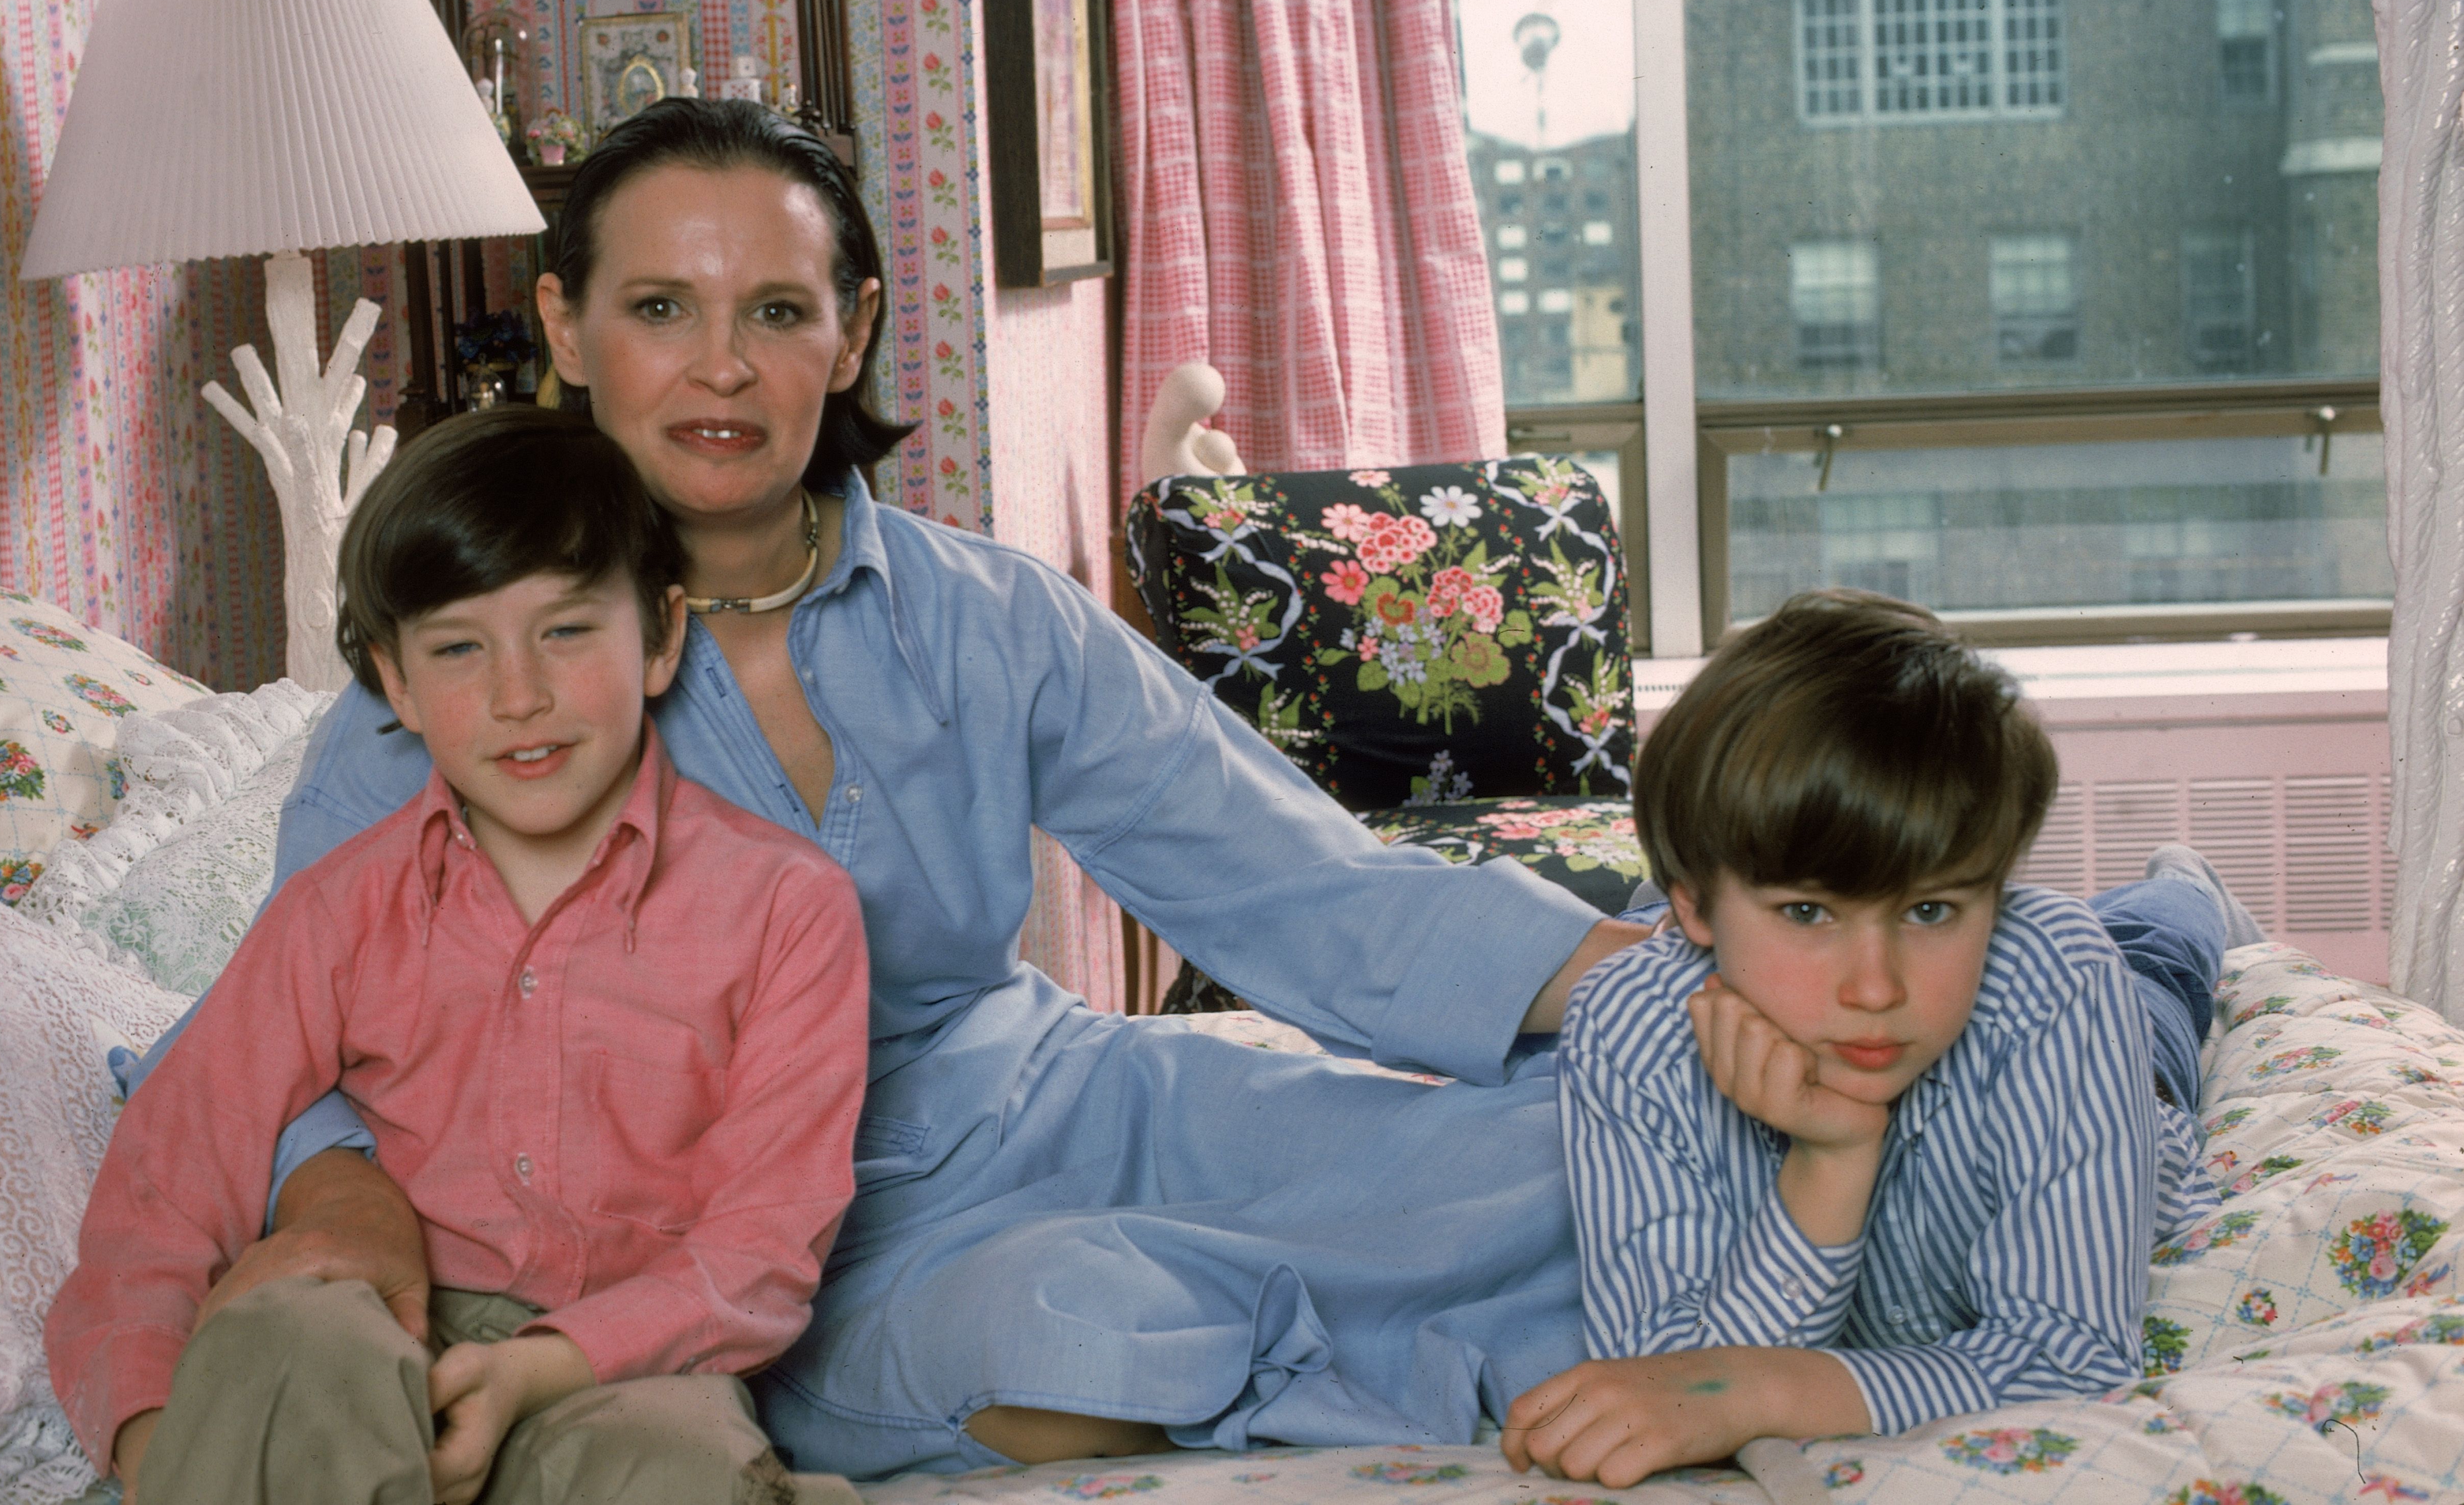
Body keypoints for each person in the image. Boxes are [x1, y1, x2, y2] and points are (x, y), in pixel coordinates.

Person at [121, 100, 2243, 1479]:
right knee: (1072, 1329)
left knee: (1544, 1150)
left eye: (778, 308)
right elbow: (314, 1034)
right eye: (660, 309)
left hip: (1045, 1093)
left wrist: (1662, 997)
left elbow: (1293, 888)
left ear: (851, 333)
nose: (723, 366)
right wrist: (336, 1194)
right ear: (566, 331)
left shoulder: (977, 616)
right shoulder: (472, 675)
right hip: (762, 1228)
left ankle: (2057, 1048)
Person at [49, 407, 871, 1505]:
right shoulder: (335, 911)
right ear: (395, 681)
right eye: (456, 649)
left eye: (568, 631)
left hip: (614, 1361)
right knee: (285, 1327)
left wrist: (533, 1370)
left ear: (663, 635)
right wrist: (162, 1441)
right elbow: (167, 1184)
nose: (517, 694)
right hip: (382, 1327)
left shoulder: (787, 909)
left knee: (676, 1470)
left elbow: (761, 1247)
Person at [1501, 591, 2239, 1488]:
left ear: (1993, 891)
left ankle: (2189, 885)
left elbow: (2075, 1355)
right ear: (1691, 903)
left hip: (2126, 1058)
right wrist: (1832, 1157)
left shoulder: (2057, 977)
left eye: (1932, 907)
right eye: (1807, 912)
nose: (1876, 989)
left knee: (2161, 951)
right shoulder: (1625, 1026)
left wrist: (1762, 1390)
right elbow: (1664, 1372)